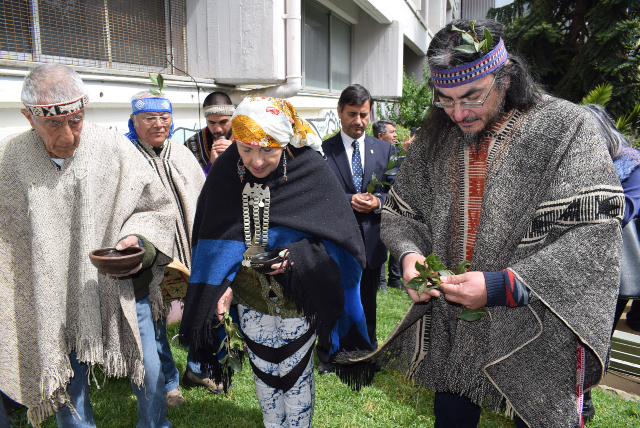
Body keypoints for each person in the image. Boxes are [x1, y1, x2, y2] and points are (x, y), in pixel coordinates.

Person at [373, 19, 623, 428]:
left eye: (472, 97)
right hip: (454, 324)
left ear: (505, 77)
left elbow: (595, 230)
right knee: (451, 416)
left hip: (535, 323)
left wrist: (503, 286)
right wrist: (409, 256)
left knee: (537, 415)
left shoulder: (565, 128)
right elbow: (404, 212)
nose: (458, 113)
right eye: (445, 100)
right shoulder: (437, 137)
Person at [179, 97, 374, 427]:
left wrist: (297, 256)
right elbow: (215, 235)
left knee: (295, 375)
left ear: (284, 142)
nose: (256, 161)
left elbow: (340, 237)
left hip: (299, 297)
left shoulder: (310, 168)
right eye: (246, 149)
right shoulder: (227, 168)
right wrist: (222, 284)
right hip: (252, 297)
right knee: (265, 373)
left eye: (268, 150)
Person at [0, 63, 176, 427]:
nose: (68, 135)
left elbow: (155, 207)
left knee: (149, 370)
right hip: (50, 296)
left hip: (121, 284)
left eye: (76, 120)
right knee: (65, 380)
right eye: (53, 123)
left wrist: (138, 241)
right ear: (29, 117)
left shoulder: (113, 147)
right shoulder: (10, 159)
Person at [127, 91, 225, 404]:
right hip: (151, 257)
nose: (158, 124)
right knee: (155, 317)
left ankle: (198, 368)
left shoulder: (182, 153)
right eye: (149, 118)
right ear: (134, 121)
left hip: (193, 251)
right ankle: (169, 382)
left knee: (204, 309)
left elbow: (204, 197)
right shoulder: (126, 157)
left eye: (164, 117)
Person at [319, 85, 396, 374]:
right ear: (339, 112)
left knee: (367, 299)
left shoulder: (386, 150)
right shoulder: (323, 150)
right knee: (333, 297)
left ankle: (367, 351)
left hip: (372, 240)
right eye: (352, 114)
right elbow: (317, 194)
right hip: (335, 240)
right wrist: (347, 200)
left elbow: (398, 194)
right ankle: (329, 353)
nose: (359, 121)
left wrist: (378, 202)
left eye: (364, 115)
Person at [371, 120, 404, 292]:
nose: (395, 135)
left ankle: (395, 280)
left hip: (393, 203)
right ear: (380, 135)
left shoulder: (395, 152)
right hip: (375, 205)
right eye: (392, 132)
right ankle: (381, 282)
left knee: (396, 240)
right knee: (379, 243)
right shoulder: (370, 153)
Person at [185, 91, 235, 175]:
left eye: (223, 122)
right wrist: (211, 164)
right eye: (212, 122)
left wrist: (236, 153)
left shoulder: (246, 140)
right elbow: (189, 180)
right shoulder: (191, 145)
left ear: (232, 118)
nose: (218, 129)